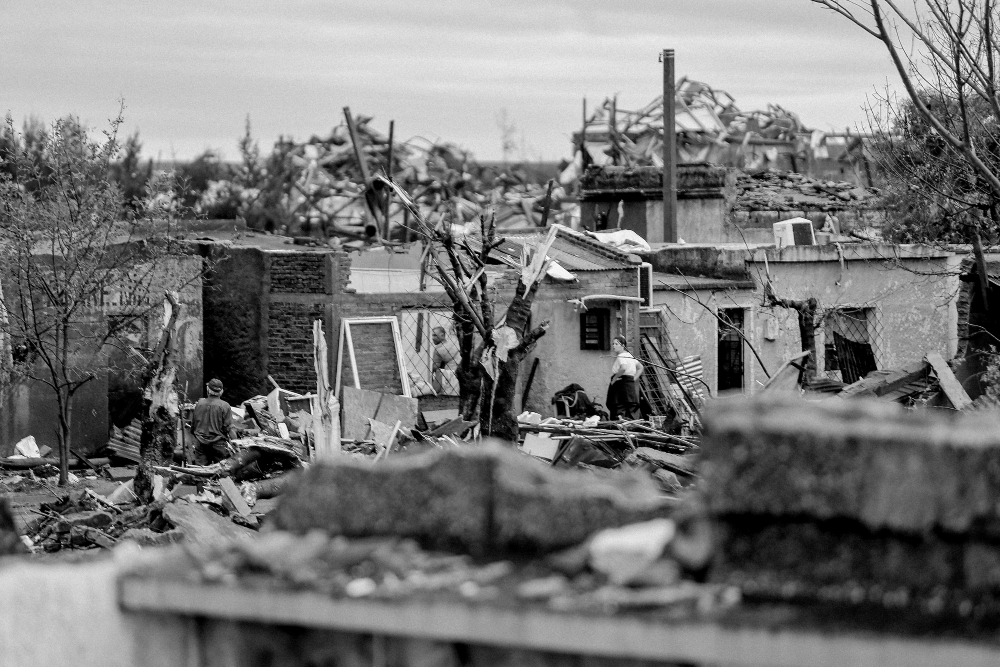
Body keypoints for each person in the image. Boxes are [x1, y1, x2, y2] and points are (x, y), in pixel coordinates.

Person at [190, 378, 236, 464]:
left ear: (208, 389)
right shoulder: (225, 406)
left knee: (200, 472)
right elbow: (229, 428)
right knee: (222, 473)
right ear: (221, 391)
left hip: (201, 443)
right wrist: (236, 443)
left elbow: (193, 427)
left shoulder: (199, 404)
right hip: (219, 444)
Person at [608, 335, 643, 420]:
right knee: (629, 408)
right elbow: (640, 367)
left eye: (616, 344)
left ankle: (620, 428)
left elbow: (623, 368)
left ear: (623, 345)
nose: (614, 346)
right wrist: (633, 379)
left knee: (619, 407)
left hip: (620, 385)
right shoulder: (630, 356)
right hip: (629, 385)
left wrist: (615, 378)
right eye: (613, 344)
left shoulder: (621, 356)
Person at [430, 326, 461, 395]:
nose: (433, 338)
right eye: (432, 335)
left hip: (448, 381)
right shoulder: (456, 344)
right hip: (460, 378)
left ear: (442, 335)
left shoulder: (439, 349)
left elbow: (435, 367)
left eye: (435, 335)